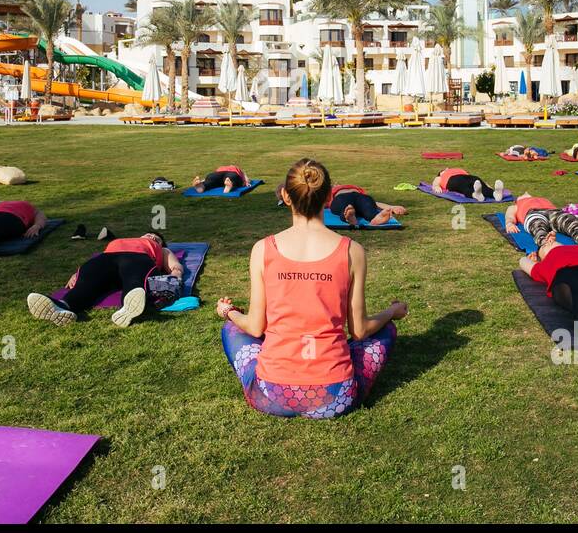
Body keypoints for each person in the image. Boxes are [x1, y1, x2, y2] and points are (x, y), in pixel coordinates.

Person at [216, 158, 407, 419]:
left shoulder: (263, 249)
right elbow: (360, 331)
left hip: (270, 394)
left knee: (231, 329)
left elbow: (255, 326)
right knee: (387, 330)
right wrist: (390, 312)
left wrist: (228, 311)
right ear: (329, 196)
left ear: (285, 196)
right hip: (335, 397)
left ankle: (280, 361)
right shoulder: (352, 251)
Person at [26, 228, 186, 327]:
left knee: (134, 281)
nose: (151, 237)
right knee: (86, 283)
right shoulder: (122, 241)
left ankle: (128, 308)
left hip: (138, 258)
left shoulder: (161, 249)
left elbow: (175, 266)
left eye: (156, 238)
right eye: (148, 234)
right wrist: (77, 274)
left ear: (160, 244)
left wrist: (175, 275)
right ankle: (62, 306)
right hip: (107, 258)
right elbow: (97, 259)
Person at [503, 195, 578, 252]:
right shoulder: (516, 205)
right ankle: (547, 244)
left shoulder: (543, 199)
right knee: (537, 226)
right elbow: (509, 215)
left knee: (568, 220)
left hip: (553, 212)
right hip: (532, 213)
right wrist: (509, 223)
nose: (525, 194)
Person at [326, 183, 407, 226]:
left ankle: (375, 218)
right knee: (344, 207)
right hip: (341, 197)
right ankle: (349, 217)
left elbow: (376, 203)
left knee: (368, 208)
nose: (337, 184)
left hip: (360, 197)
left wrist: (392, 207)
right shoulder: (330, 192)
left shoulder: (354, 188)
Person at [432, 167, 505, 201]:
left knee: (476, 179)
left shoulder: (459, 169)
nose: (446, 168)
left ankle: (495, 194)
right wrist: (436, 186)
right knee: (463, 186)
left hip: (466, 176)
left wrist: (486, 185)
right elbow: (435, 182)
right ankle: (475, 195)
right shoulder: (442, 175)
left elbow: (477, 183)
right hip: (452, 180)